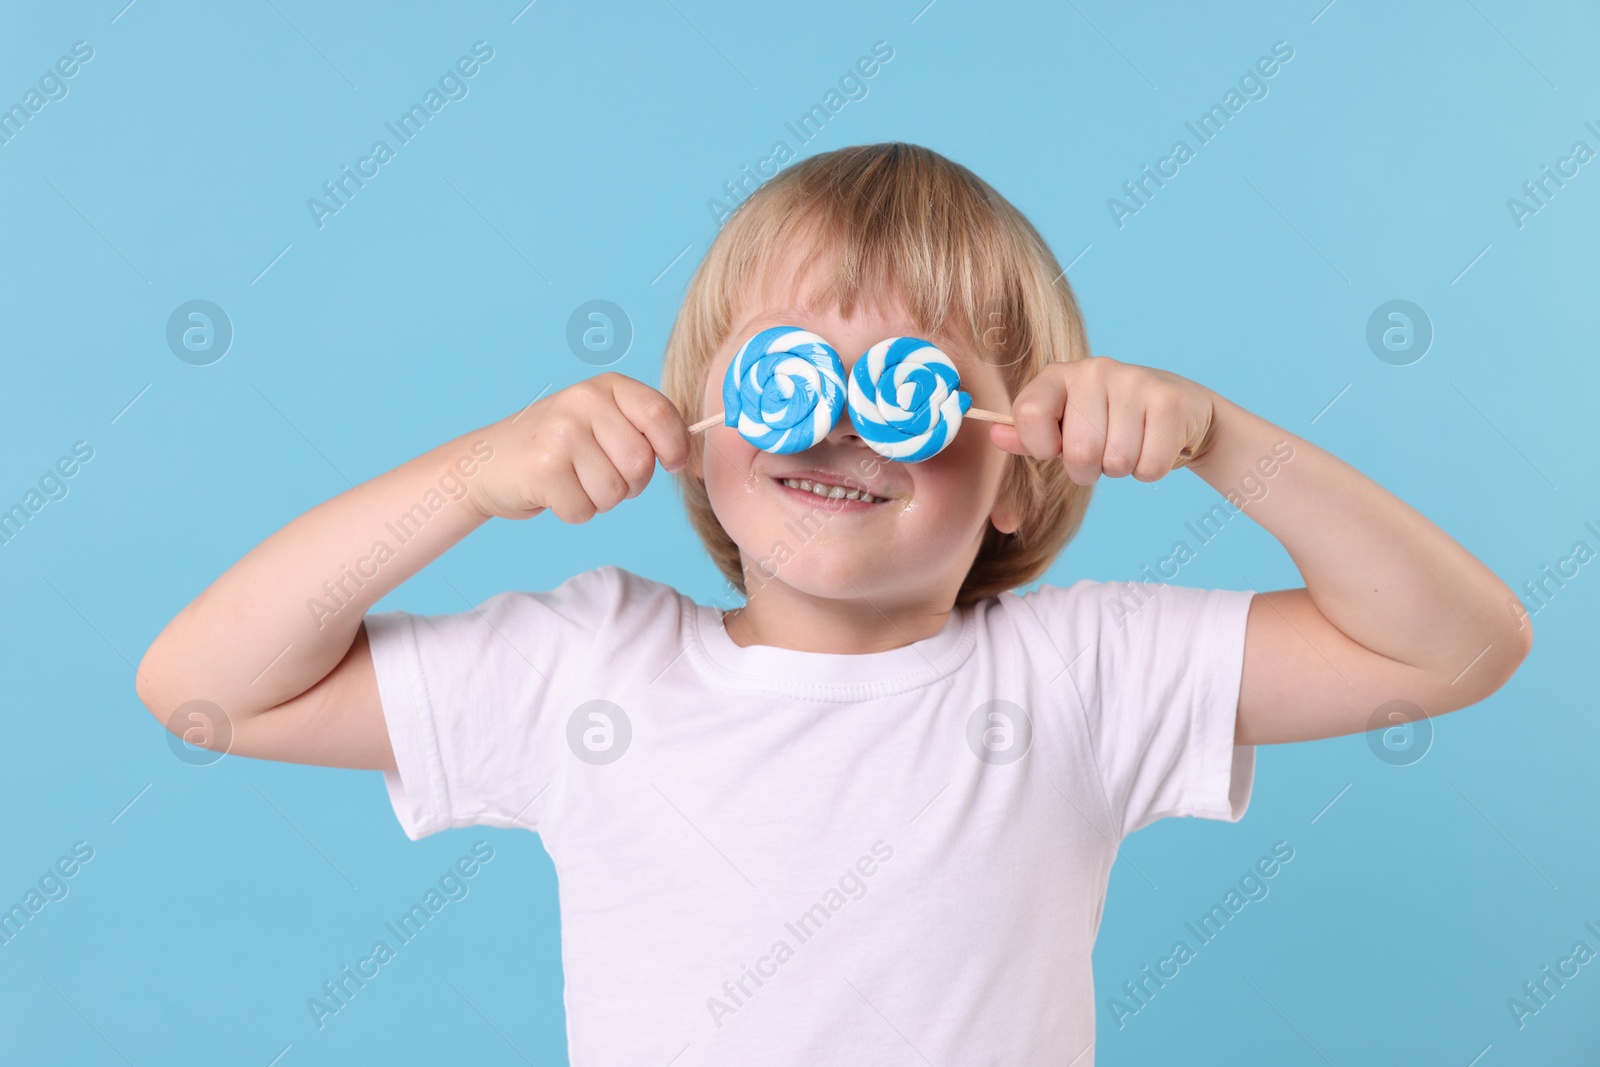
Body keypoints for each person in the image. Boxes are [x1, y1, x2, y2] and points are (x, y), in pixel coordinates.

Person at [136, 142, 1530, 1064]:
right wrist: (468, 479)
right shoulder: (592, 669)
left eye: (911, 385)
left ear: (1016, 474)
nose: (844, 425)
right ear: (701, 419)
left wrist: (1224, 438)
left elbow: (1459, 644)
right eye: (792, 372)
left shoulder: (1083, 672)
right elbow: (206, 688)